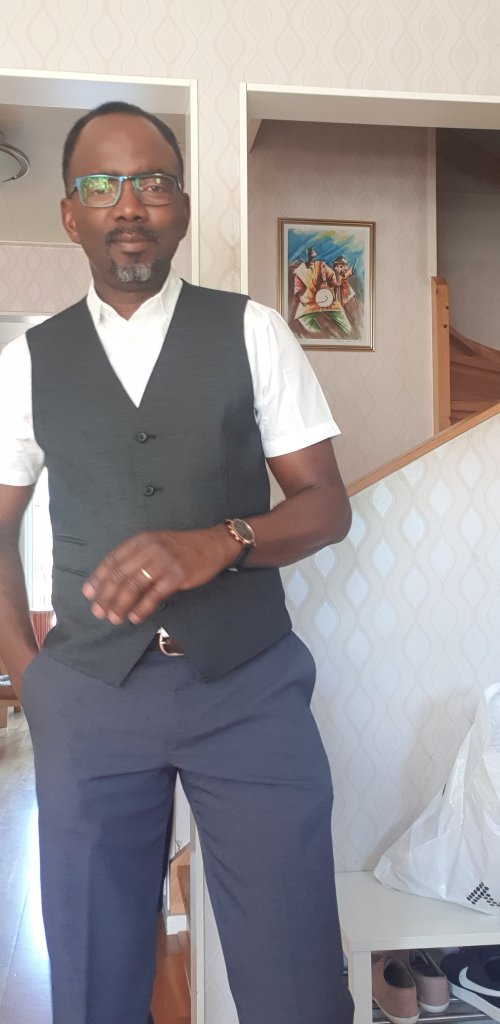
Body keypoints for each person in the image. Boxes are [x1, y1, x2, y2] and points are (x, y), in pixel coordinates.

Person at [0, 101, 354, 1024]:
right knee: (94, 977)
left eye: (153, 182)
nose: (130, 203)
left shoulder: (254, 331)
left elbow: (326, 504)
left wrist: (226, 539)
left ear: (183, 207)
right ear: (70, 213)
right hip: (89, 694)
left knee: (297, 976)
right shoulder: (25, 362)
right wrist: (32, 678)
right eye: (102, 185)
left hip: (249, 688)